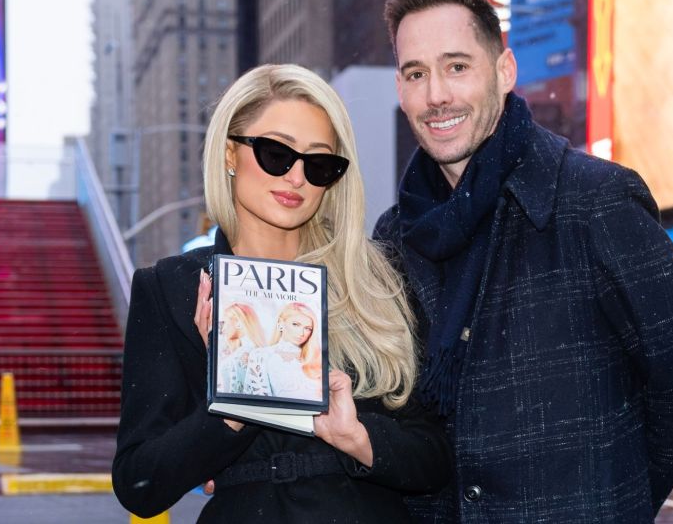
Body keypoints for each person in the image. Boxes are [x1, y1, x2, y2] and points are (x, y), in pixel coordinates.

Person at [373, 0, 673, 523]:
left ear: (505, 71)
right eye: (415, 73)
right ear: (400, 90)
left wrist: (611, 506)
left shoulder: (596, 201)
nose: (436, 93)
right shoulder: (394, 238)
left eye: (457, 66)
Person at [113, 64, 452, 522]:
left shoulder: (378, 279)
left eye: (318, 164)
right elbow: (141, 482)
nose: (296, 178)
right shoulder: (173, 289)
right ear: (231, 153)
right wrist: (232, 404)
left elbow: (435, 457)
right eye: (276, 153)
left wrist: (357, 437)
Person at [245, 302, 323, 400]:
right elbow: (256, 399)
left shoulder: (316, 357)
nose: (301, 333)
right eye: (295, 324)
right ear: (281, 324)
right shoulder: (261, 355)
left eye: (308, 328)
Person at [216, 302, 265, 394]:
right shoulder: (257, 351)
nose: (223, 329)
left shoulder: (242, 354)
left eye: (225, 322)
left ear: (238, 322)